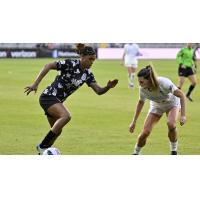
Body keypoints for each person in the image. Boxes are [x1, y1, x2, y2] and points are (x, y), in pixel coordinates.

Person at [24, 43, 118, 154]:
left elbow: (98, 91)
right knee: (66, 116)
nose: (92, 62)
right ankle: (42, 146)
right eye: (90, 59)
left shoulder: (87, 74)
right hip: (48, 96)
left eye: (94, 59)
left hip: (57, 101)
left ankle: (42, 152)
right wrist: (35, 84)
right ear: (82, 57)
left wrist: (108, 87)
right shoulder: (70, 64)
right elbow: (48, 65)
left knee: (57, 131)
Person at [129, 64, 186, 155]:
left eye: (141, 82)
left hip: (172, 103)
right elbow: (140, 103)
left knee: (171, 124)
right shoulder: (142, 89)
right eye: (139, 81)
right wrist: (134, 122)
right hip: (156, 105)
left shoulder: (164, 83)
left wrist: (183, 115)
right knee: (145, 132)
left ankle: (174, 151)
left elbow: (181, 95)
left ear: (149, 80)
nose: (139, 84)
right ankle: (136, 153)